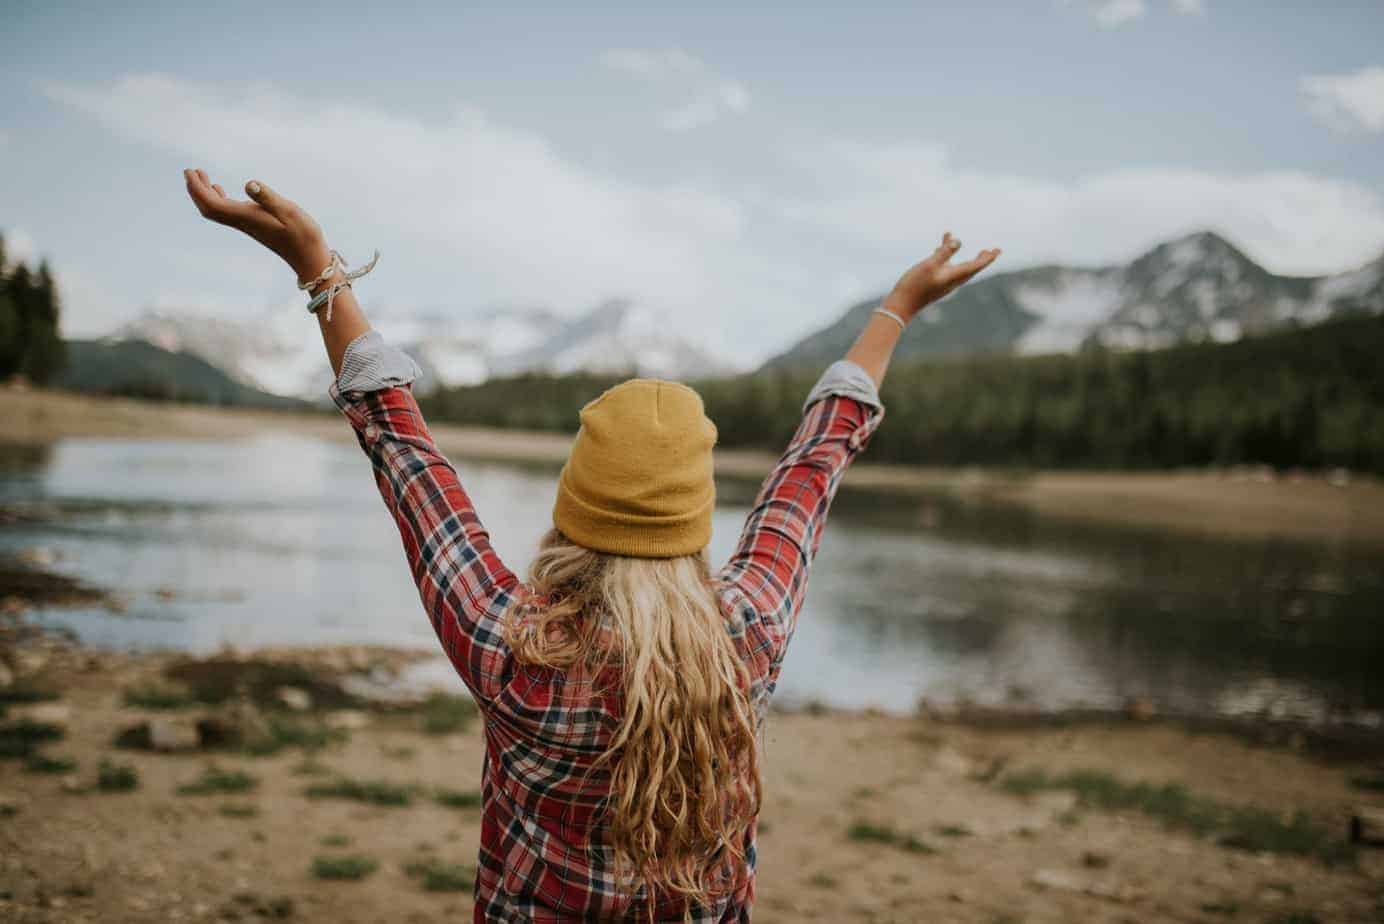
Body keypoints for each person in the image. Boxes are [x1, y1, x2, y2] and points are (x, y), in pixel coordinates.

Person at [183, 168, 999, 922]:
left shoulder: (511, 645)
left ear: (573, 511)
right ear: (692, 525)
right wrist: (897, 308)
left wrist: (319, 269)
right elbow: (813, 465)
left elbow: (403, 448)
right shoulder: (746, 635)